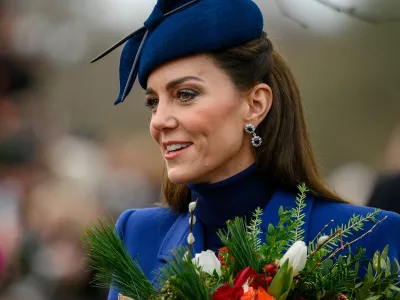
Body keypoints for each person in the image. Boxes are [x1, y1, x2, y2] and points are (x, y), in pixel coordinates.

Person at [91, 1, 400, 299]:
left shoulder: (369, 237)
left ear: (255, 104)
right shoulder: (138, 236)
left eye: (185, 94)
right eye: (153, 102)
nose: (159, 121)